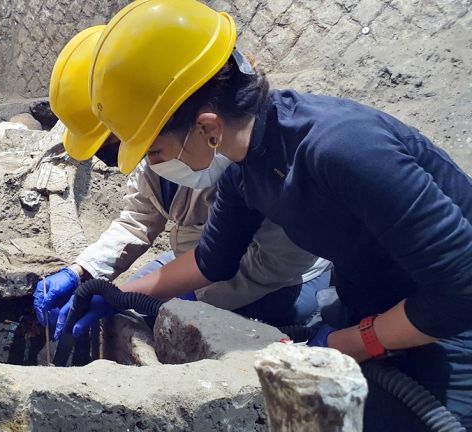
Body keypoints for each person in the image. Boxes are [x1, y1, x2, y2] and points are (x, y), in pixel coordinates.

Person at [73, 0, 472, 429]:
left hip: (448, 323)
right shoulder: (245, 169)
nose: (155, 164)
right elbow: (212, 262)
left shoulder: (342, 148)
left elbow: (459, 292)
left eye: (155, 150)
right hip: (375, 299)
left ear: (207, 127)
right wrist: (114, 294)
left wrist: (350, 343)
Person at [34, 25, 331, 341]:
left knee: (167, 328)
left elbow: (273, 264)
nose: (137, 160)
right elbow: (138, 220)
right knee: (130, 311)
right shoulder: (164, 147)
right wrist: (84, 270)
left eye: (121, 146)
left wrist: (184, 297)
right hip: (200, 260)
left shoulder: (260, 161)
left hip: (282, 280)